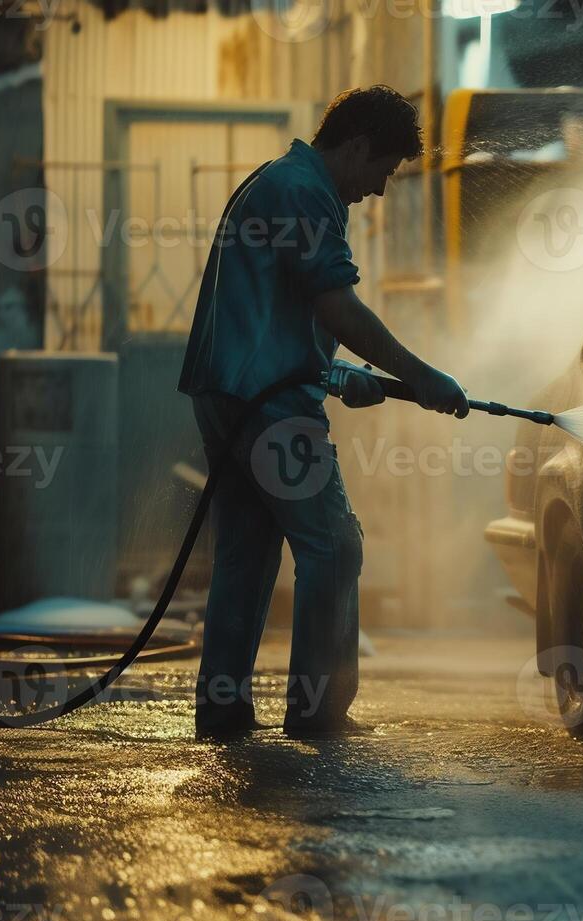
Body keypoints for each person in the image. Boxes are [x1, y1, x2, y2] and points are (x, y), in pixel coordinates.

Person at [178, 85, 469, 740]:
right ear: (358, 146)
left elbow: (282, 318)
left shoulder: (277, 181)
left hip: (228, 395)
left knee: (247, 552)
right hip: (267, 404)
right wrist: (421, 377)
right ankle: (318, 711)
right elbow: (337, 309)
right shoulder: (306, 193)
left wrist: (338, 375)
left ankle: (222, 709)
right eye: (384, 170)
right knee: (334, 546)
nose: (381, 189)